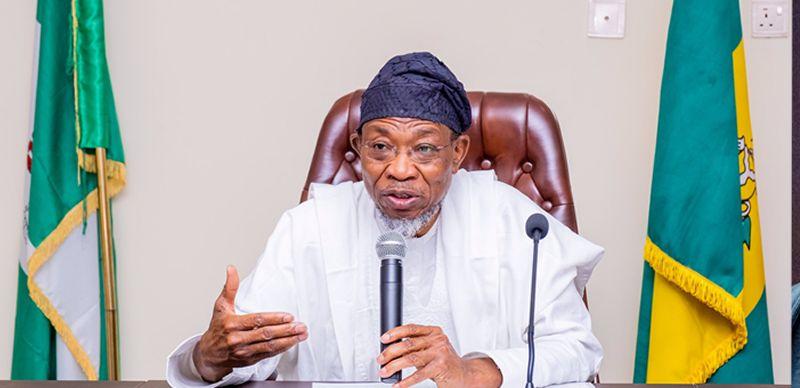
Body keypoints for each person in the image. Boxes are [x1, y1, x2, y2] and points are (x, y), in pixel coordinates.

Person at [166, 52, 603, 387]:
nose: (399, 169)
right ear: (357, 147)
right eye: (380, 147)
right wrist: (210, 358)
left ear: (458, 153)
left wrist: (476, 372)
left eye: (425, 149)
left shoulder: (511, 219)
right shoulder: (311, 227)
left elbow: (577, 348)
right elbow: (245, 348)